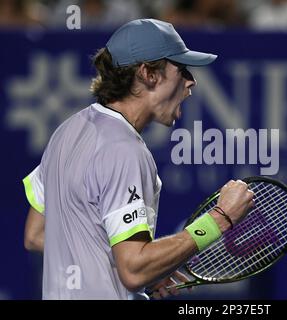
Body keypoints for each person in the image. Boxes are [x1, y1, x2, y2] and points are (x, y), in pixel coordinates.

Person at [22, 18, 254, 300]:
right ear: (149, 73)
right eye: (181, 69)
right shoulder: (125, 151)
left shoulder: (67, 131)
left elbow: (36, 234)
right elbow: (134, 271)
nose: (191, 82)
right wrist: (219, 219)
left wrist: (148, 263)